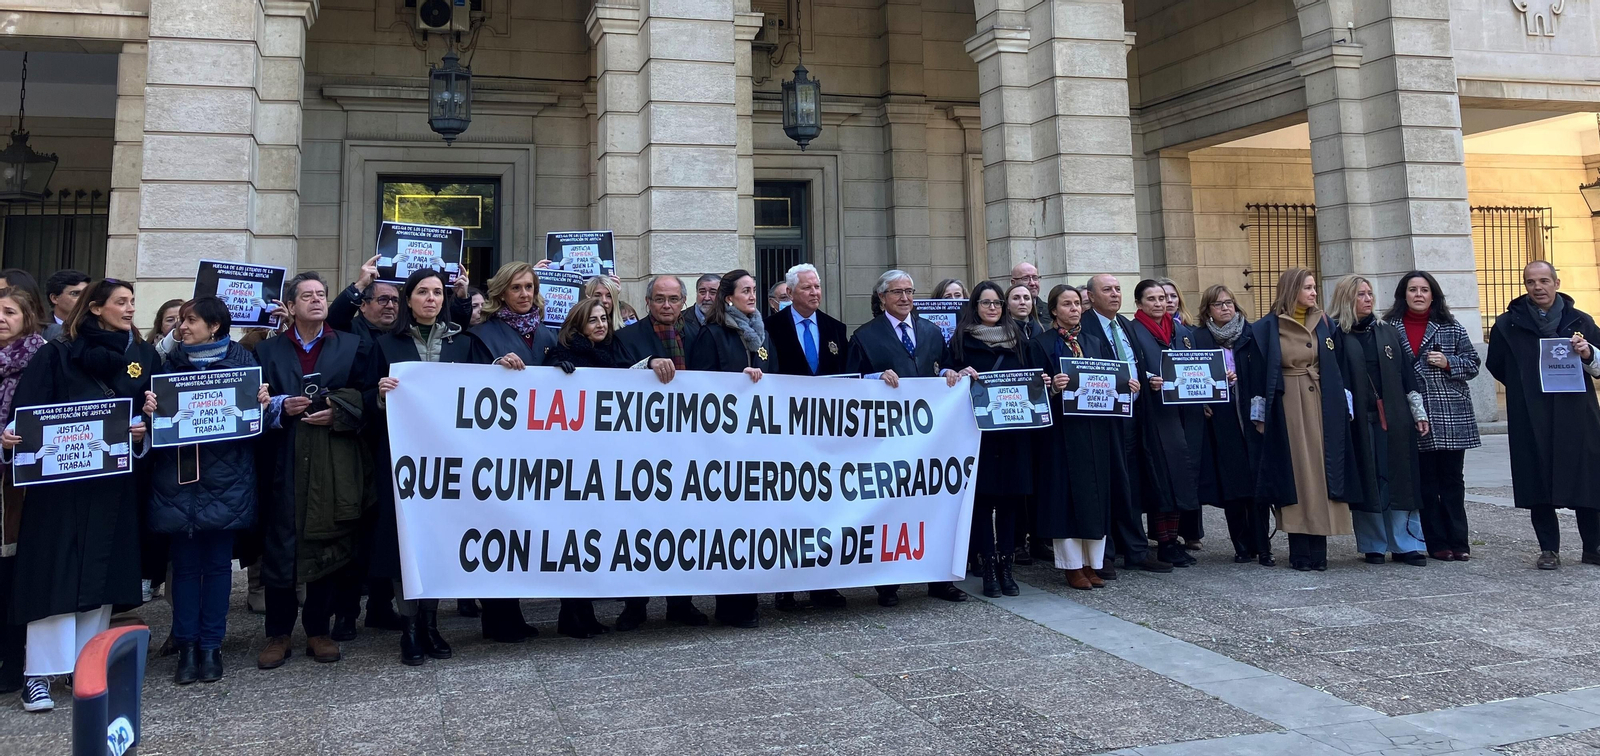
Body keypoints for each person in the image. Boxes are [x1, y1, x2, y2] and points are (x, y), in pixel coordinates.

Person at [6, 279, 158, 712]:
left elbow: (147, 417)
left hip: (112, 484)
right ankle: (38, 674)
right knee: (55, 573)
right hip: (60, 489)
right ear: (94, 309)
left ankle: (85, 668)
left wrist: (140, 430)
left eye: (132, 302)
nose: (130, 309)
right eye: (121, 302)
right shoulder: (54, 353)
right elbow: (28, 414)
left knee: (102, 574)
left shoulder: (141, 356)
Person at [141, 297, 262, 684]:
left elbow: (256, 422)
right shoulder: (166, 364)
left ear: (214, 326)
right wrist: (150, 410)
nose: (182, 327)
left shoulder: (243, 363)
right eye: (180, 321)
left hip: (226, 480)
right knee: (186, 568)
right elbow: (152, 425)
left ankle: (211, 646)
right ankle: (186, 647)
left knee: (217, 566)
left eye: (191, 320)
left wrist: (262, 402)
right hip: (178, 481)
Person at [254, 271, 370, 669]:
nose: (317, 301)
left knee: (326, 540)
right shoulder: (267, 352)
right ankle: (278, 634)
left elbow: (367, 396)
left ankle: (319, 630)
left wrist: (338, 411)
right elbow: (252, 401)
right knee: (281, 543)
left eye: (321, 294)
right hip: (283, 457)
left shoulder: (351, 345)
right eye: (308, 296)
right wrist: (278, 407)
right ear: (290, 305)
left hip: (331, 458)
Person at [369, 269, 477, 665]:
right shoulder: (384, 344)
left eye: (437, 292)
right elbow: (363, 398)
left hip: (450, 461)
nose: (431, 298)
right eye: (422, 292)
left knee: (439, 540)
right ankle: (410, 628)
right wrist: (378, 395)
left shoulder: (462, 343)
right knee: (405, 543)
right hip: (402, 462)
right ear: (408, 299)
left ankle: (431, 623)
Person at [845, 269, 969, 606]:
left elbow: (941, 365)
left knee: (934, 504)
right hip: (889, 441)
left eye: (909, 291)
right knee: (892, 509)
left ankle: (939, 580)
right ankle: (889, 583)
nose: (905, 298)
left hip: (931, 441)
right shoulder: (865, 335)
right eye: (897, 292)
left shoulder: (930, 331)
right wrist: (874, 377)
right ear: (882, 297)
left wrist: (948, 373)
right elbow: (850, 384)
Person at [609, 275, 709, 630]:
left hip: (690, 449)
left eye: (673, 299)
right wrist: (646, 366)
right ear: (648, 302)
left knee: (682, 528)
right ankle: (635, 604)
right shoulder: (626, 338)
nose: (666, 306)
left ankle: (680, 602)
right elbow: (610, 382)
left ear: (684, 302)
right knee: (638, 527)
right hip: (643, 452)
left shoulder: (701, 336)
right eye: (659, 299)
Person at [1486, 261, 1600, 570]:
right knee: (1537, 480)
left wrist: (1588, 353)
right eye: (1531, 282)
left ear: (1556, 283)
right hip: (1530, 413)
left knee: (1587, 479)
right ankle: (1549, 549)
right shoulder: (1508, 323)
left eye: (1544, 281)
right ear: (1525, 285)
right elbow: (1496, 363)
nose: (1538, 287)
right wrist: (1528, 385)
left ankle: (1593, 547)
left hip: (1577, 413)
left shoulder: (1580, 320)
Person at [1248, 267, 1360, 571]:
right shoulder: (1265, 328)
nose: (1313, 293)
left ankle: (1319, 551)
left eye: (1314, 287)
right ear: (1292, 289)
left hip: (1323, 404)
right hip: (1288, 407)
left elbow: (1338, 366)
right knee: (1297, 475)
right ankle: (1299, 551)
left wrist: (1343, 404)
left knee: (1323, 475)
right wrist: (1259, 417)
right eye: (1308, 287)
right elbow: (1257, 376)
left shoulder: (1325, 324)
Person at [463, 261, 549, 641]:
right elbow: (465, 387)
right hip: (497, 450)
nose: (525, 294)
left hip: (540, 451)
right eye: (516, 288)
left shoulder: (548, 336)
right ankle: (496, 615)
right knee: (498, 529)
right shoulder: (480, 336)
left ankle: (513, 613)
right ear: (500, 293)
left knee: (524, 531)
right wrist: (494, 369)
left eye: (529, 287)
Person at [687, 269, 773, 628]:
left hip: (758, 444)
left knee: (752, 525)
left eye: (755, 290)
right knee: (729, 527)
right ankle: (731, 604)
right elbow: (701, 386)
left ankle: (748, 600)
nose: (753, 296)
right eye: (746, 291)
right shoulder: (713, 334)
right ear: (728, 298)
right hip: (721, 449)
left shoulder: (761, 335)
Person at [1030, 285, 1131, 589]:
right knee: (1065, 497)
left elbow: (1110, 378)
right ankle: (1072, 566)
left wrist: (1127, 385)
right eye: (1066, 304)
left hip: (1094, 428)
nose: (1074, 309)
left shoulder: (1093, 341)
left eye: (1077, 304)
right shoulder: (1041, 343)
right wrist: (1052, 386)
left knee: (1095, 495)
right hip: (1061, 431)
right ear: (1054, 310)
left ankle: (1093, 563)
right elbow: (1033, 389)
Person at [1329, 276, 1431, 567]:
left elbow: (1407, 373)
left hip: (1395, 417)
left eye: (1370, 293)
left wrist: (1418, 411)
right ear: (1347, 298)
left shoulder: (1388, 332)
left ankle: (1406, 543)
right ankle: (1373, 543)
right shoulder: (1336, 334)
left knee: (1400, 477)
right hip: (1358, 419)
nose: (1368, 299)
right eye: (1361, 294)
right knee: (1368, 479)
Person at [763, 263, 848, 610]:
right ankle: (787, 586)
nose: (815, 293)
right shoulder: (771, 328)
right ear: (791, 292)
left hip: (826, 435)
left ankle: (823, 584)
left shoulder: (835, 329)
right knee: (789, 508)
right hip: (786, 433)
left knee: (824, 508)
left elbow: (846, 378)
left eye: (817, 287)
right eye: (807, 288)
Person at [1078, 274, 1171, 575]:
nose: (1115, 294)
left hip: (1133, 415)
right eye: (1107, 290)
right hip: (1102, 418)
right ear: (1091, 296)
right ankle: (1103, 554)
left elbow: (1134, 364)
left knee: (1131, 481)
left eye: (1118, 289)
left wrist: (1148, 380)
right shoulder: (1085, 327)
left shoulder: (1126, 325)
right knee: (1106, 483)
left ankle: (1136, 549)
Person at [543, 297, 624, 639]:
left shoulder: (611, 357)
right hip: (572, 462)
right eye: (593, 320)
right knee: (571, 539)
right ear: (578, 325)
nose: (601, 325)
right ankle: (572, 612)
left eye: (604, 318)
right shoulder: (563, 359)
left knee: (591, 537)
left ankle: (581, 612)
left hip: (602, 461)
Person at [1385, 270, 1480, 562]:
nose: (1418, 295)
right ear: (1403, 295)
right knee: (1425, 481)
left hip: (1450, 412)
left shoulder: (1451, 327)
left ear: (1433, 295)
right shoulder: (1389, 328)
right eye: (1412, 289)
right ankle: (1436, 541)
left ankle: (1459, 541)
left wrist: (1448, 362)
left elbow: (1474, 364)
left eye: (1424, 290)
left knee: (1452, 480)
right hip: (1413, 413)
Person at [946, 283, 1027, 597]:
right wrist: (956, 374)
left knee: (1009, 502)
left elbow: (1033, 378)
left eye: (997, 303)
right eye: (986, 302)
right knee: (981, 502)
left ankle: (1007, 568)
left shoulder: (1020, 339)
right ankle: (988, 568)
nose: (993, 308)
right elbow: (946, 378)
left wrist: (1043, 382)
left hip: (1013, 434)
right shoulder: (960, 342)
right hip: (977, 435)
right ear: (975, 306)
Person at [1125, 280, 1206, 567]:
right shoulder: (1132, 331)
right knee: (1161, 479)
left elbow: (1195, 367)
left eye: (1162, 298)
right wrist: (1148, 383)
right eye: (1152, 299)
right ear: (1139, 304)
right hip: (1152, 415)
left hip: (1181, 413)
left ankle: (1174, 539)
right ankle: (1163, 542)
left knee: (1180, 477)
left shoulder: (1182, 332)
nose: (1159, 303)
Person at [1192, 285, 1271, 565]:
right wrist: (1203, 399)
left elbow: (1264, 373)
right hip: (1221, 421)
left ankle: (1263, 546)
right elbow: (1191, 378)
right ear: (1207, 310)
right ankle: (1241, 545)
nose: (1225, 308)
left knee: (1257, 484)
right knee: (1233, 485)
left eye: (1229, 303)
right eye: (1218, 304)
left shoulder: (1251, 334)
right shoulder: (1198, 338)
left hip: (1252, 416)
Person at [0, 288, 45, 697]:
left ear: (28, 317)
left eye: (9, 312)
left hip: (21, 488)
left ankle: (15, 661)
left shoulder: (41, 359)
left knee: (13, 574)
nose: (1, 318)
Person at [42, 270, 90, 340]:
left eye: (87, 294)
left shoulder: (97, 328)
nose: (84, 299)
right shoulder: (39, 330)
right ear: (54, 298)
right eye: (75, 294)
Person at [1010, 262, 1046, 331]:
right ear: (1013, 282)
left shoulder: (1050, 312)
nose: (1032, 283)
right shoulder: (1001, 314)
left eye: (1035, 278)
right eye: (1025, 278)